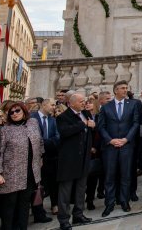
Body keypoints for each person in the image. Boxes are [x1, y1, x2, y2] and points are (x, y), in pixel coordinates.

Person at [0, 101, 44, 230]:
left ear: (24, 111)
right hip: (11, 173)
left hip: (31, 171)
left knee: (24, 204)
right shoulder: (5, 130)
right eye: (11, 112)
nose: (14, 114)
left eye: (17, 111)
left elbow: (40, 141)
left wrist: (40, 157)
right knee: (9, 205)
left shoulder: (33, 123)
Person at [96, 80, 141, 216]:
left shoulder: (132, 105)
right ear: (115, 90)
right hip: (110, 147)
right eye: (122, 88)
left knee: (126, 175)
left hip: (127, 146)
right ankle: (109, 204)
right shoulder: (106, 107)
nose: (125, 90)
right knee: (110, 176)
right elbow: (101, 126)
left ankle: (124, 201)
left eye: (126, 88)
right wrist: (110, 140)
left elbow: (135, 123)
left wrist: (126, 139)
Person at [55, 93, 94, 230]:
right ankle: (64, 219)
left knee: (80, 189)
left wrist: (91, 124)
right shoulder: (63, 117)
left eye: (84, 101)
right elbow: (65, 132)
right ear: (71, 103)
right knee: (65, 192)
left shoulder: (86, 113)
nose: (84, 103)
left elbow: (90, 130)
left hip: (84, 158)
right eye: (81, 101)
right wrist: (81, 124)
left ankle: (78, 214)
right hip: (69, 160)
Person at [31, 98, 59, 223]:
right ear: (43, 104)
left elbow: (58, 137)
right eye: (52, 105)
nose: (54, 107)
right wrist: (43, 143)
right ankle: (38, 211)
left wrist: (44, 143)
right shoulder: (32, 118)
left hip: (51, 156)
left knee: (53, 182)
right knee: (38, 186)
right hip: (36, 158)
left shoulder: (53, 120)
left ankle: (54, 204)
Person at [84, 96, 102, 211]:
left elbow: (100, 132)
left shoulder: (99, 117)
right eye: (86, 103)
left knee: (93, 176)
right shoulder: (83, 116)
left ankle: (90, 199)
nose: (87, 104)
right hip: (84, 150)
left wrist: (95, 146)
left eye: (90, 103)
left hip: (95, 151)